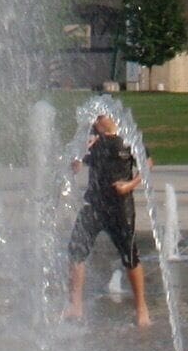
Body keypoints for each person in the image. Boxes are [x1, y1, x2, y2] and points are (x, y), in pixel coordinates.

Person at [64, 112, 150, 328]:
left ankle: (141, 307)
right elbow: (74, 166)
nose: (93, 123)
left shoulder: (128, 138)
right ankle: (75, 305)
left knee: (130, 256)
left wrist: (130, 185)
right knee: (76, 250)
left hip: (120, 206)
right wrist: (81, 151)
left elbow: (147, 164)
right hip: (94, 204)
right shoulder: (92, 140)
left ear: (109, 118)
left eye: (97, 119)